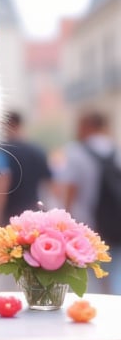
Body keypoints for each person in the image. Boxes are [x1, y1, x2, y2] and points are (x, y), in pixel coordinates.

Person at [58, 111, 121, 294]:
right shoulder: (116, 150)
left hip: (86, 225)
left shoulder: (75, 152)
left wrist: (65, 219)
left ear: (86, 126)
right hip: (116, 225)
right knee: (114, 271)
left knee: (88, 274)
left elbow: (70, 188)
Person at [0, 112, 52, 226]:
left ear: (6, 125)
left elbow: (0, 183)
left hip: (10, 213)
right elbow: (49, 183)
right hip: (34, 211)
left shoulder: (2, 151)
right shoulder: (37, 150)